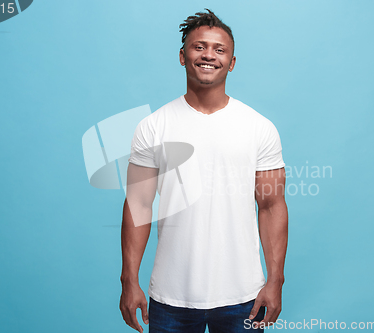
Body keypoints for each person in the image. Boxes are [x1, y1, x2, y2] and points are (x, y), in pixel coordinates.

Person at [119, 9, 288, 333]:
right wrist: (129, 280)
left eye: (219, 49)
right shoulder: (154, 126)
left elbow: (271, 206)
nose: (209, 54)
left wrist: (276, 280)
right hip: (170, 299)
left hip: (244, 296)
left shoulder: (259, 128)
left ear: (232, 62)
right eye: (199, 47)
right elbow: (138, 204)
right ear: (182, 57)